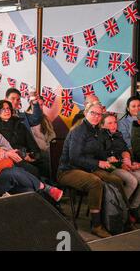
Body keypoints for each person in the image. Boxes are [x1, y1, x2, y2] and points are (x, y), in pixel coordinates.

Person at [58, 102, 126, 238]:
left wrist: (108, 159)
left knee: (116, 179)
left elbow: (99, 153)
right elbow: (74, 158)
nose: (96, 116)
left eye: (99, 114)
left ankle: (123, 217)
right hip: (69, 170)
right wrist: (98, 163)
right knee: (95, 182)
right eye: (92, 113)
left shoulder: (98, 132)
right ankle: (96, 225)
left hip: (88, 168)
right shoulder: (78, 132)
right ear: (85, 113)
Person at [0, 106, 63, 200]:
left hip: (6, 173)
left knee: (28, 190)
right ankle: (45, 187)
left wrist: (2, 150)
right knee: (14, 171)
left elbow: (10, 150)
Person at [100, 113, 140, 223]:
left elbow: (124, 149)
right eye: (110, 123)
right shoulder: (99, 137)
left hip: (121, 164)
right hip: (109, 167)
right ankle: (120, 209)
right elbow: (102, 157)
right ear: (102, 125)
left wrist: (127, 159)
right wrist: (121, 163)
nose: (114, 125)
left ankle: (133, 207)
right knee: (132, 181)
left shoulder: (118, 134)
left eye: (115, 123)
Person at [0, 100, 46, 178]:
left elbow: (31, 143)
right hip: (11, 158)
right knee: (33, 170)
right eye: (3, 109)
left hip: (27, 155)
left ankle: (49, 186)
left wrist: (34, 155)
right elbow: (4, 148)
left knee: (46, 162)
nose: (7, 111)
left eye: (8, 108)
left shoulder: (20, 125)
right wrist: (23, 155)